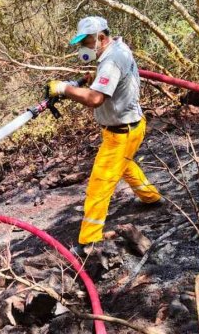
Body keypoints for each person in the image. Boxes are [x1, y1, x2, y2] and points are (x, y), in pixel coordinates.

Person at [46, 15, 161, 258]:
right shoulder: (117, 47)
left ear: (101, 37)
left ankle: (89, 240)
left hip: (121, 133)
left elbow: (95, 99)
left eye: (87, 41)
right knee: (125, 166)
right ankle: (151, 197)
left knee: (99, 187)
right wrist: (93, 79)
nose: (83, 47)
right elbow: (111, 80)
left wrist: (64, 89)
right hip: (131, 128)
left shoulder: (110, 60)